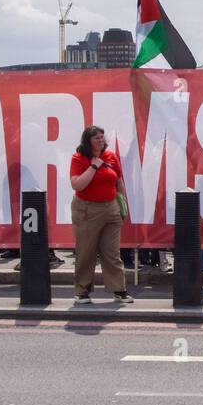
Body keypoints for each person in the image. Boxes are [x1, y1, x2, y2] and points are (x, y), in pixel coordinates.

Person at [68, 125, 132, 305]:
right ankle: (82, 291)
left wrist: (123, 204)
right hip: (87, 209)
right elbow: (77, 185)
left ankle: (119, 289)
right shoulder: (78, 158)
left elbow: (118, 181)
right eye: (96, 138)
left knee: (112, 251)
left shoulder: (111, 156)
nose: (101, 140)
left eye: (102, 137)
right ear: (88, 141)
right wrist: (93, 167)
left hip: (111, 208)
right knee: (86, 251)